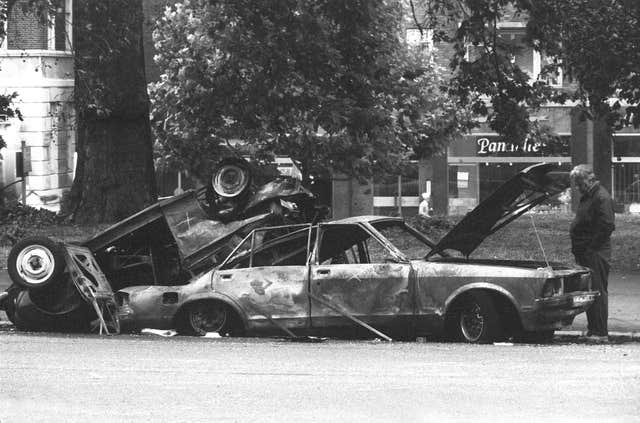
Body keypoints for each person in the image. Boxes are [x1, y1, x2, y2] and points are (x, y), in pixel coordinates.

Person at [569, 164, 615, 343]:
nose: (578, 188)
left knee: (597, 291)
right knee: (591, 291)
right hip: (588, 251)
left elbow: (607, 225)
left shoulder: (601, 197)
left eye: (579, 184)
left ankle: (600, 331)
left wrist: (591, 247)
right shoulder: (590, 195)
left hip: (595, 252)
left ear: (587, 180)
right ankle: (594, 329)